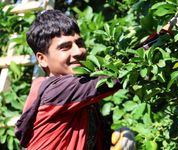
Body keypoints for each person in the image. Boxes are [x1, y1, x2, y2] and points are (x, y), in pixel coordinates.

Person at [15, 9, 135, 150]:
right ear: (42, 59)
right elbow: (117, 76)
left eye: (79, 43)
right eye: (65, 47)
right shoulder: (54, 91)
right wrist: (160, 39)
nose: (78, 51)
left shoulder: (82, 100)